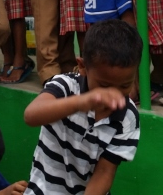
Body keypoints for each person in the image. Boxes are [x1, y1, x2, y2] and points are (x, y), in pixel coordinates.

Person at [23, 19, 142, 194]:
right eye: (104, 85)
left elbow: (104, 172)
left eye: (125, 85)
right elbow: (31, 116)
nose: (114, 95)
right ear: (82, 66)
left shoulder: (128, 116)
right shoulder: (65, 86)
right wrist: (82, 102)